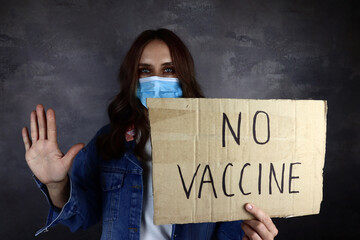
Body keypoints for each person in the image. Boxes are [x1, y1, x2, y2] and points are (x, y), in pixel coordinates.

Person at [22, 28, 278, 240]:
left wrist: (252, 236)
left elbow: (231, 230)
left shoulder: (221, 145)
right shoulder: (110, 141)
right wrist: (56, 185)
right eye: (145, 70)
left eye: (168, 70)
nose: (156, 80)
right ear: (133, 79)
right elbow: (80, 216)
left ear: (184, 76)